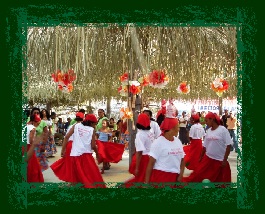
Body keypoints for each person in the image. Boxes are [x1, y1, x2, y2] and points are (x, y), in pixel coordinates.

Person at [182, 112, 232, 184]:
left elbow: (228, 145)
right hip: (208, 158)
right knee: (197, 175)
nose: (205, 123)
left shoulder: (223, 130)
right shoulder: (208, 131)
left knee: (221, 181)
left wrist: (225, 159)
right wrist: (201, 157)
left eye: (206, 120)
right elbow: (205, 146)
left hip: (220, 160)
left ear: (212, 120)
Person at [61, 114, 106, 188]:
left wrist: (63, 150)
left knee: (77, 178)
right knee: (92, 176)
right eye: (95, 124)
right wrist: (97, 154)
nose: (95, 126)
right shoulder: (91, 130)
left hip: (74, 155)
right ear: (91, 123)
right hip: (86, 156)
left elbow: (66, 137)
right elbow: (93, 145)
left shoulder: (76, 125)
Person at [144, 117, 185, 188]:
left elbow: (182, 160)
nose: (178, 129)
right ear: (171, 129)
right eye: (177, 127)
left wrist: (180, 175)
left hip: (175, 177)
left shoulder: (178, 141)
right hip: (162, 177)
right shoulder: (158, 142)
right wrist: (146, 184)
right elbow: (150, 164)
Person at [50, 112, 84, 183]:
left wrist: (63, 149)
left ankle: (72, 181)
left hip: (70, 145)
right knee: (79, 164)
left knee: (70, 164)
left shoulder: (71, 126)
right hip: (79, 146)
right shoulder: (84, 127)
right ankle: (78, 180)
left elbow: (66, 138)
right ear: (83, 119)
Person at [125, 113, 153, 187]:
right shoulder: (150, 132)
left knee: (140, 178)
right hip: (151, 157)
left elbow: (140, 151)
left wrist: (137, 168)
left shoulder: (140, 134)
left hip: (144, 159)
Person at [23, 114, 45, 182]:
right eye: (38, 122)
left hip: (23, 146)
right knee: (33, 165)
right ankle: (33, 181)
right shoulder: (33, 128)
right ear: (34, 122)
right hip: (29, 147)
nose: (38, 123)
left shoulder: (25, 127)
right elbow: (31, 140)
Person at [29, 107, 49, 172]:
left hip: (39, 145)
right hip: (30, 144)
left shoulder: (43, 122)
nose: (36, 114)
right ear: (31, 114)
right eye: (35, 113)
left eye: (38, 113)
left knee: (38, 161)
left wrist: (44, 144)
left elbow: (46, 133)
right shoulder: (28, 121)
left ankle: (38, 174)